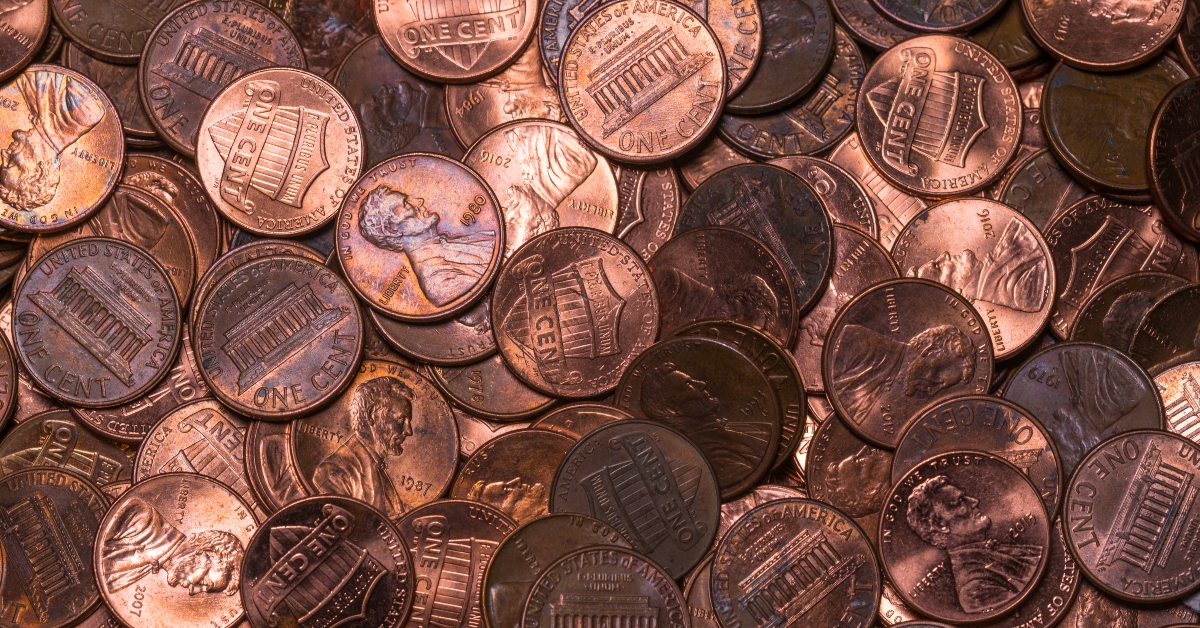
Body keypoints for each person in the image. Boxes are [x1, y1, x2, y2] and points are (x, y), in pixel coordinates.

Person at [905, 476, 1042, 614]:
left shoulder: (990, 550)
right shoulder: (973, 590)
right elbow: (1033, 608)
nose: (974, 501)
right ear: (941, 526)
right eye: (960, 501)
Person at [358, 184, 497, 306]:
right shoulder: (440, 282)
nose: (420, 201)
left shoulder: (450, 243)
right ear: (391, 230)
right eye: (406, 203)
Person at [638, 362, 771, 476]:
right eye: (688, 384)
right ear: (672, 409)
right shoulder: (710, 457)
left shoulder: (722, 430)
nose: (701, 384)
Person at [0, 70, 105, 211]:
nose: (4, 153)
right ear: (38, 172)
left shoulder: (38, 116)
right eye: (11, 164)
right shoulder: (85, 115)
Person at [313, 377, 414, 518]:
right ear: (372, 415)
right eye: (401, 420)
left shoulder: (376, 466)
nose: (409, 431)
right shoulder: (333, 473)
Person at [831, 324, 976, 422]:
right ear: (930, 352)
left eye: (940, 388)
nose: (932, 392)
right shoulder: (858, 341)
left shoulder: (886, 382)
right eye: (937, 379)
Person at [100, 497, 243, 596]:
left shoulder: (151, 566)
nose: (193, 591)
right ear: (204, 553)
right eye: (204, 582)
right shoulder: (142, 516)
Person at [909, 219, 1049, 313]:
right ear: (959, 292)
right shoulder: (1021, 295)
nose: (944, 255)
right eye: (938, 267)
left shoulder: (999, 259)